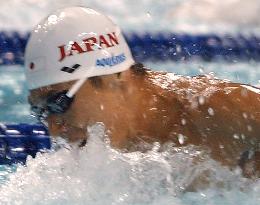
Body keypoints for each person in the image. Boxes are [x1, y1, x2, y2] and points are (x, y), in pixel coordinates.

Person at [25, 6, 260, 178]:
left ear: (114, 77)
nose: (53, 128)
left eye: (58, 103)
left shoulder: (216, 109)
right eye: (41, 111)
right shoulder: (92, 167)